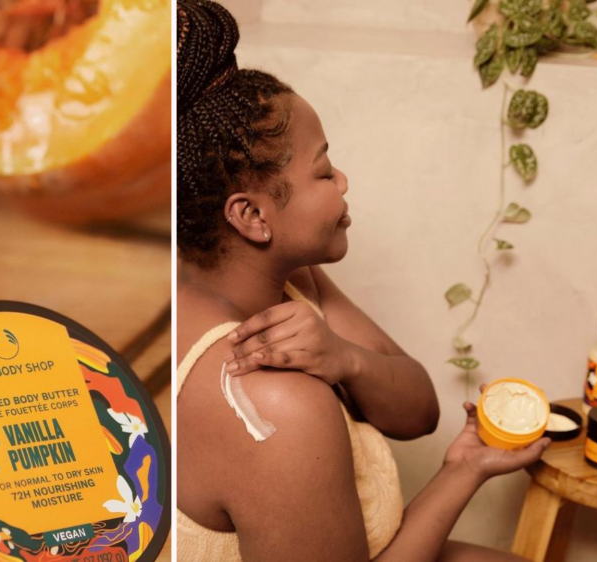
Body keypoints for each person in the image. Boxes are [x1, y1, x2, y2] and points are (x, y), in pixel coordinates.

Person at [175, 1, 551, 560]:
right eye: (324, 170)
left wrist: (343, 358)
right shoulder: (270, 401)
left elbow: (419, 411)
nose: (343, 180)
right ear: (251, 216)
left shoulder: (290, 282)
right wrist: (462, 474)